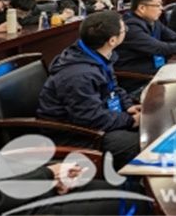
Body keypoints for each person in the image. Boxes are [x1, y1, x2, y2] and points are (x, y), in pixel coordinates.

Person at [37, 11, 140, 170]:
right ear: (112, 40)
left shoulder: (96, 54)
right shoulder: (79, 75)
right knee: (142, 141)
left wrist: (127, 106)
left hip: (97, 118)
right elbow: (90, 118)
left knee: (150, 127)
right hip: (77, 134)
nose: (126, 30)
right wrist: (130, 120)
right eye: (123, 29)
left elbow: (113, 87)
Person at [0, 125, 142, 215]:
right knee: (137, 206)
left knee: (135, 191)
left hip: (20, 191)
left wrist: (50, 177)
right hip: (13, 207)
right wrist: (48, 174)